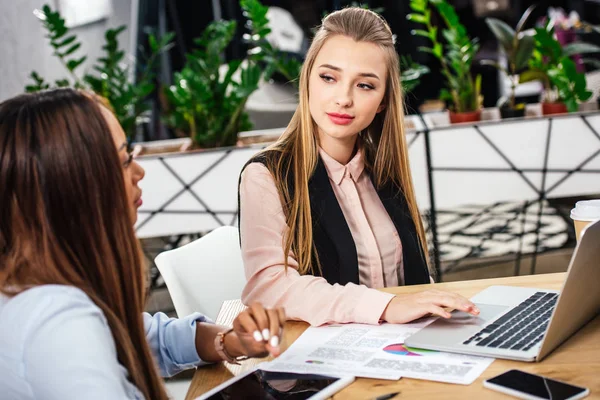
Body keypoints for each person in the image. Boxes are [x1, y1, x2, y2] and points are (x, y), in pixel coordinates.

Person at [0, 88, 285, 400]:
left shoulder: (38, 283)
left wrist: (229, 341)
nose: (139, 171)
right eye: (123, 161)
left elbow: (148, 337)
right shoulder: (59, 324)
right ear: (74, 188)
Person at [238, 7, 480, 326]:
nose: (343, 98)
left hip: (403, 349)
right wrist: (385, 306)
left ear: (382, 101)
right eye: (329, 77)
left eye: (364, 85)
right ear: (308, 80)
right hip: (324, 366)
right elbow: (270, 288)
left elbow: (413, 282)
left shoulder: (384, 172)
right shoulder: (267, 176)